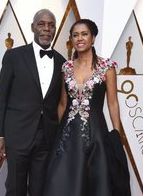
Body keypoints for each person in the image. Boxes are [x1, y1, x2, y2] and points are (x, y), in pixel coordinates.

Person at [43, 19, 131, 196]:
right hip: (66, 136)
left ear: (93, 38)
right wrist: (54, 134)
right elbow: (62, 103)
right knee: (60, 181)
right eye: (75, 35)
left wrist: (116, 134)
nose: (79, 39)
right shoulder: (66, 67)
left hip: (96, 134)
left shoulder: (107, 67)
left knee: (96, 182)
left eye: (84, 34)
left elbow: (112, 102)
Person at [0, 9, 66, 196]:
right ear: (33, 27)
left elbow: (61, 102)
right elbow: (2, 96)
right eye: (41, 24)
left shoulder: (62, 62)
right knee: (15, 188)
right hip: (17, 133)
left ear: (55, 29)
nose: (46, 29)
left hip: (47, 136)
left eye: (51, 25)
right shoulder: (13, 56)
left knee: (40, 189)